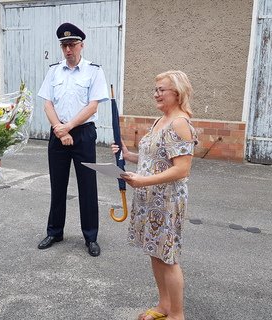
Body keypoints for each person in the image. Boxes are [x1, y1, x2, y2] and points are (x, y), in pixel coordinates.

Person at [111, 70, 197, 320]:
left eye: (162, 90)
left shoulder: (179, 123)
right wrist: (129, 156)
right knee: (155, 251)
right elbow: (155, 158)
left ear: (177, 93)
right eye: (155, 89)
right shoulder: (161, 120)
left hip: (167, 201)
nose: (156, 94)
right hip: (150, 199)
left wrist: (143, 180)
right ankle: (164, 306)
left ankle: (177, 315)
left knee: (168, 257)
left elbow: (182, 168)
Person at [37, 22, 109, 257]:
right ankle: (55, 231)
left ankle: (90, 236)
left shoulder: (94, 71)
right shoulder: (54, 71)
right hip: (58, 133)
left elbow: (93, 105)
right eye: (64, 45)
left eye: (72, 44)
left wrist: (68, 127)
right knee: (57, 185)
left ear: (81, 45)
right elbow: (47, 102)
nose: (68, 49)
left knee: (87, 186)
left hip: (83, 134)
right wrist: (59, 129)